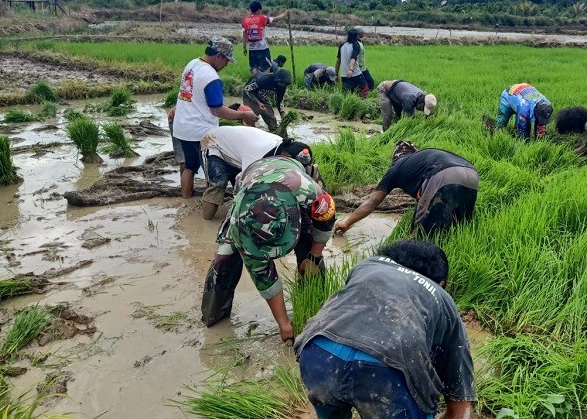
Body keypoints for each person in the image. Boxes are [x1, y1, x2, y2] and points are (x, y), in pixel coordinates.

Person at [295, 240, 475, 419]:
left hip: (316, 350)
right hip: (385, 372)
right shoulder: (443, 300)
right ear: (441, 282)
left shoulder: (367, 266)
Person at [201, 157, 336, 338]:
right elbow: (264, 278)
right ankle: (214, 317)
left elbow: (326, 221)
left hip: (288, 178)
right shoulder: (240, 227)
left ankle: (317, 315)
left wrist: (314, 257)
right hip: (248, 185)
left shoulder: (307, 190)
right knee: (224, 258)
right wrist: (284, 324)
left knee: (309, 246)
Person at [172, 37, 258, 199]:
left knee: (188, 166)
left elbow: (189, 94)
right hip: (199, 132)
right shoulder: (211, 77)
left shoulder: (192, 64)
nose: (226, 65)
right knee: (211, 168)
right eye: (226, 60)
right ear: (219, 56)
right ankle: (208, 202)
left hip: (182, 127)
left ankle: (185, 201)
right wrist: (244, 115)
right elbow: (217, 110)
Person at [335, 141, 479, 236]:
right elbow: (422, 201)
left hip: (443, 173)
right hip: (472, 174)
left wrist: (347, 222)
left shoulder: (396, 168)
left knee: (423, 234)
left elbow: (372, 202)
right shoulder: (421, 159)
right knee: (460, 226)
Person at [199, 126, 316, 219]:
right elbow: (243, 183)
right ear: (286, 157)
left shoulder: (280, 149)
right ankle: (206, 224)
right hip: (215, 144)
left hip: (238, 152)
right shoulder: (257, 155)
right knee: (219, 184)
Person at [241, 0, 288, 75]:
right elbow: (275, 19)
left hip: (251, 49)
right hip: (262, 49)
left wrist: (244, 48)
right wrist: (285, 14)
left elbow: (244, 35)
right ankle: (265, 85)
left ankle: (256, 83)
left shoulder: (245, 20)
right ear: (259, 9)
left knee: (254, 68)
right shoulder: (262, 18)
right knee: (267, 68)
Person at [240, 68, 292, 132]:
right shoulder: (263, 80)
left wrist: (282, 113)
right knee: (251, 117)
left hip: (263, 98)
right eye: (281, 83)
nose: (282, 85)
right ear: (277, 79)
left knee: (272, 121)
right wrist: (258, 102)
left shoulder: (282, 87)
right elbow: (247, 89)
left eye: (284, 83)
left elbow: (280, 100)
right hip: (250, 95)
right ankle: (249, 130)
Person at [334, 28, 368, 97]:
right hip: (356, 74)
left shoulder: (342, 45)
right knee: (365, 89)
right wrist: (351, 69)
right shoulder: (356, 44)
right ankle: (362, 103)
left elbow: (338, 61)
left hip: (344, 75)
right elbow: (353, 58)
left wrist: (336, 74)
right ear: (356, 36)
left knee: (347, 94)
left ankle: (349, 105)